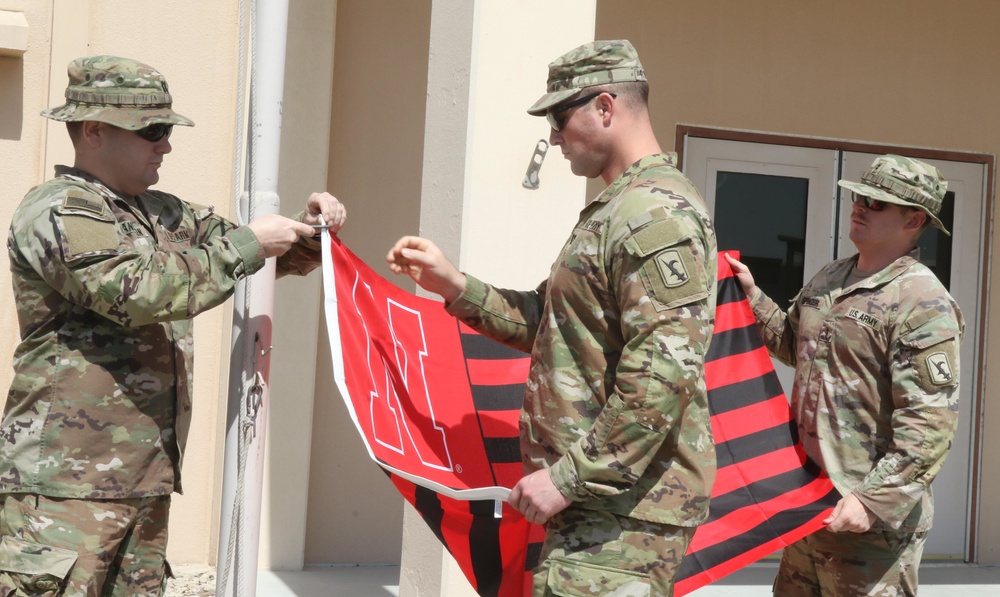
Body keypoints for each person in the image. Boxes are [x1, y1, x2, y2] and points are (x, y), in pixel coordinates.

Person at [0, 55, 346, 595]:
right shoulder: (59, 208)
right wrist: (253, 243)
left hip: (143, 479)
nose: (166, 144)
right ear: (94, 131)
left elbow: (257, 252)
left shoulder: (161, 211)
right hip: (68, 487)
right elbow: (136, 291)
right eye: (153, 131)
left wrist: (311, 229)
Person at [387, 40, 717, 596]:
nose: (555, 137)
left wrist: (567, 478)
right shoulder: (619, 208)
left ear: (605, 108)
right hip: (598, 503)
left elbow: (664, 373)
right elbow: (553, 322)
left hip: (621, 512)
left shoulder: (655, 213)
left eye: (561, 117)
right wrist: (454, 285)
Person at [725, 155, 963, 596]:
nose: (860, 206)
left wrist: (871, 502)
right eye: (859, 196)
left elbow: (929, 426)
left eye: (876, 203)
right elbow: (792, 344)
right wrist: (753, 297)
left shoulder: (922, 301)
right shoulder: (831, 276)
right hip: (809, 501)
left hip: (870, 523)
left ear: (914, 219)